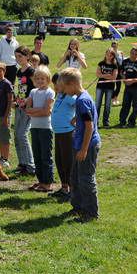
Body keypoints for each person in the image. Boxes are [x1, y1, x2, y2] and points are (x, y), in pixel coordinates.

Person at [59, 67, 101, 222]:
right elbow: (87, 117)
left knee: (85, 179)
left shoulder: (82, 100)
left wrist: (84, 149)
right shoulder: (82, 97)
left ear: (72, 84)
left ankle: (91, 213)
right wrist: (77, 119)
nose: (63, 90)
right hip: (79, 144)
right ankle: (78, 207)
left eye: (64, 87)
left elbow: (90, 127)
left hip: (87, 146)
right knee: (75, 177)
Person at [25, 65, 55, 192]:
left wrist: (34, 111)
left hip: (45, 128)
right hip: (34, 127)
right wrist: (38, 110)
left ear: (48, 79)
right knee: (37, 155)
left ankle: (47, 183)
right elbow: (27, 109)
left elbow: (47, 112)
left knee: (45, 156)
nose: (40, 81)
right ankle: (41, 180)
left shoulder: (50, 92)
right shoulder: (32, 92)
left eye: (43, 79)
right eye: (37, 79)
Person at [49, 72, 76, 202]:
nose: (55, 87)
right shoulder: (59, 95)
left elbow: (82, 106)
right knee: (59, 160)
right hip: (58, 132)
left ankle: (72, 190)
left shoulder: (70, 97)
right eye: (54, 84)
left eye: (57, 84)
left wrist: (75, 119)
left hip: (67, 132)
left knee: (67, 161)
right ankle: (64, 187)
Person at [13, 46, 36, 176]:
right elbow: (21, 88)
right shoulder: (19, 72)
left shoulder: (31, 71)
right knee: (17, 135)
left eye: (20, 56)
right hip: (19, 106)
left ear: (27, 56)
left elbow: (36, 89)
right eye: (16, 57)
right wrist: (17, 99)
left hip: (28, 107)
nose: (18, 59)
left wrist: (27, 101)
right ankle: (22, 163)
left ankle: (31, 166)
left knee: (22, 134)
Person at [117, 47, 137, 128]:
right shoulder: (125, 62)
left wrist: (132, 81)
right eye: (132, 53)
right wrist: (123, 78)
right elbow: (121, 72)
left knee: (135, 106)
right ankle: (122, 121)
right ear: (130, 53)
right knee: (125, 105)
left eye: (136, 54)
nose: (133, 55)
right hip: (127, 88)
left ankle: (131, 122)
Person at [94, 48, 119, 128]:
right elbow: (97, 75)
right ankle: (95, 122)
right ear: (105, 54)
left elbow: (114, 77)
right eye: (107, 54)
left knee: (107, 105)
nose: (108, 56)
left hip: (110, 87)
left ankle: (105, 122)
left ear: (113, 56)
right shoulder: (101, 63)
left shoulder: (114, 65)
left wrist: (103, 75)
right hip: (100, 87)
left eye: (110, 55)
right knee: (97, 104)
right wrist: (107, 75)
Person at [110, 41, 125, 106]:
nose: (114, 47)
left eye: (115, 45)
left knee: (118, 86)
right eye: (113, 46)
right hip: (112, 71)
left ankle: (115, 98)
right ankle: (112, 99)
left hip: (120, 71)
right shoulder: (110, 53)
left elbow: (122, 61)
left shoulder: (120, 53)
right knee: (112, 86)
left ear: (117, 46)